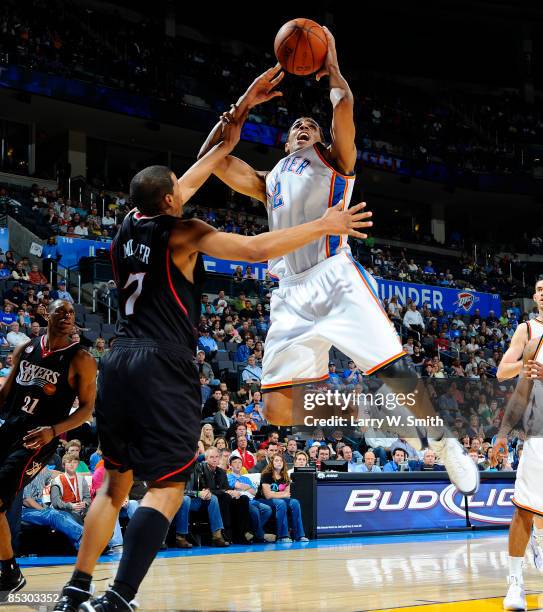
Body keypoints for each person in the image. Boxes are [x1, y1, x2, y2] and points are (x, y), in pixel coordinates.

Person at [55, 110, 367, 611]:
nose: (187, 188)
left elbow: (193, 174)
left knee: (113, 488)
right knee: (169, 486)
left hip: (118, 357)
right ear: (172, 200)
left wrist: (234, 125)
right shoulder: (185, 231)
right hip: (163, 363)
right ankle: (119, 598)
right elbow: (258, 248)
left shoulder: (124, 230)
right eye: (180, 189)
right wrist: (324, 225)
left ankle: (74, 592)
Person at [198, 42, 477, 499]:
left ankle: (445, 444)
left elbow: (343, 106)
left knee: (397, 369)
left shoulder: (334, 160)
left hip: (334, 276)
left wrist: (333, 70)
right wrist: (244, 102)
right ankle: (372, 412)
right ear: (285, 143)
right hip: (289, 292)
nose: (303, 127)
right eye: (296, 127)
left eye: (310, 125)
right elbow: (211, 156)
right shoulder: (268, 182)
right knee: (277, 409)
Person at [0, 300, 96, 601]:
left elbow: (87, 409)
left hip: (38, 440)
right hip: (11, 427)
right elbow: (6, 393)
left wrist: (53, 431)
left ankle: (9, 570)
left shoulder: (80, 358)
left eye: (71, 313)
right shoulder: (27, 349)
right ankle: (10, 571)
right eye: (61, 311)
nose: (67, 316)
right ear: (47, 313)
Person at [496, 279, 543, 610]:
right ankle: (515, 584)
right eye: (540, 289)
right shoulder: (529, 335)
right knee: (524, 510)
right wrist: (503, 432)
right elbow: (516, 386)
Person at [258, 454, 308, 543]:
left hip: (277, 499)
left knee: (295, 502)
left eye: (281, 461)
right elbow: (267, 495)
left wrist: (275, 493)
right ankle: (282, 536)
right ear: (271, 463)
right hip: (263, 500)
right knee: (281, 503)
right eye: (276, 461)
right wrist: (281, 494)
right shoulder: (266, 475)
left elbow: (288, 494)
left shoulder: (285, 476)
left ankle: (299, 535)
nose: (279, 462)